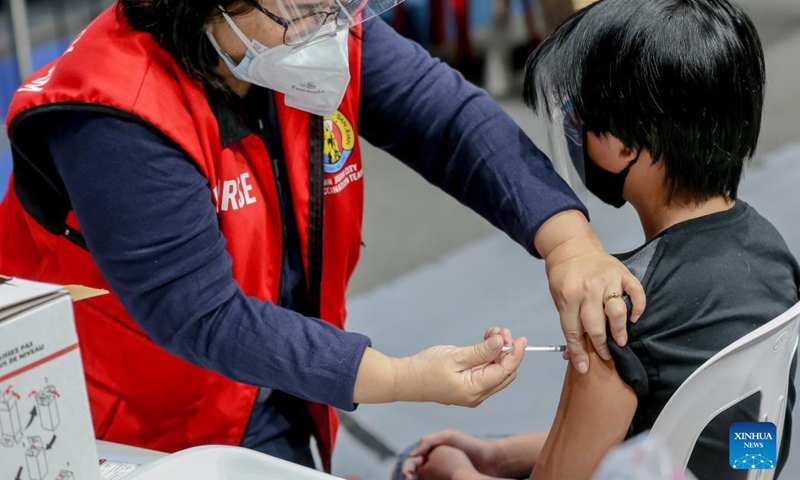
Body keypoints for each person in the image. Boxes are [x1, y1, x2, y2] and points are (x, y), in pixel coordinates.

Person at [0, 0, 645, 470]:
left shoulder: (306, 28)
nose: (327, 22)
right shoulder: (115, 115)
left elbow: (448, 119)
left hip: (286, 367)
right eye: (300, 8)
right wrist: (399, 377)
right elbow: (204, 317)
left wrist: (568, 241)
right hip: (141, 424)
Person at [400, 0, 800, 478]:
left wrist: (453, 472)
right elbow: (686, 432)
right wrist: (495, 454)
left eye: (577, 112)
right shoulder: (772, 251)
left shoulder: (617, 304)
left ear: (628, 145)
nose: (573, 126)